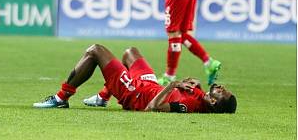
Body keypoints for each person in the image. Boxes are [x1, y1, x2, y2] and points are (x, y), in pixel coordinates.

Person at [33, 44, 237, 114]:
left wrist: (173, 84)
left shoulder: (187, 105)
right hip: (149, 85)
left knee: (95, 51)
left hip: (135, 93)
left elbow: (153, 107)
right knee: (131, 53)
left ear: (213, 102)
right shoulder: (201, 97)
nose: (219, 86)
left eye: (221, 92)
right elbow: (192, 84)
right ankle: (103, 97)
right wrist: (194, 83)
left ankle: (61, 99)